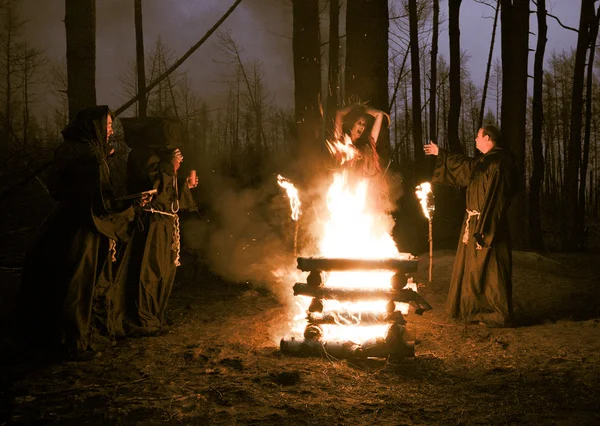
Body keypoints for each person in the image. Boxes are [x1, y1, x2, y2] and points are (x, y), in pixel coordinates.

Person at [17, 106, 142, 359]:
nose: (110, 131)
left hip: (62, 222)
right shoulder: (89, 155)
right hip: (84, 228)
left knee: (59, 279)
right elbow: (99, 202)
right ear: (94, 126)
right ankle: (74, 343)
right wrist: (129, 209)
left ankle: (54, 337)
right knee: (78, 282)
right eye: (107, 126)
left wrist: (103, 158)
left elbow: (65, 186)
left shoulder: (68, 148)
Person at [423, 124, 519, 328]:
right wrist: (440, 153)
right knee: (472, 269)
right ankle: (473, 309)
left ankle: (494, 313)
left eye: (477, 136)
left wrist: (484, 229)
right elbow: (464, 166)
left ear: (487, 138)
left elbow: (497, 199)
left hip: (487, 224)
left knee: (490, 270)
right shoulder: (484, 161)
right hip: (474, 222)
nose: (475, 140)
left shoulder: (501, 163)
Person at [113, 117, 198, 336]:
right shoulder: (142, 155)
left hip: (164, 223)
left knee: (161, 271)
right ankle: (140, 320)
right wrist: (171, 166)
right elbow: (150, 187)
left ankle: (152, 316)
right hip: (149, 224)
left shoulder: (159, 157)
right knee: (147, 270)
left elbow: (168, 192)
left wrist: (184, 183)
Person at [330, 103, 391, 211]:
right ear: (352, 123)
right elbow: (339, 113)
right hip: (343, 197)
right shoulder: (341, 142)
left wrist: (364, 109)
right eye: (359, 123)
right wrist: (356, 107)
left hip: (364, 198)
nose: (362, 126)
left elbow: (379, 115)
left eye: (364, 124)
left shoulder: (367, 147)